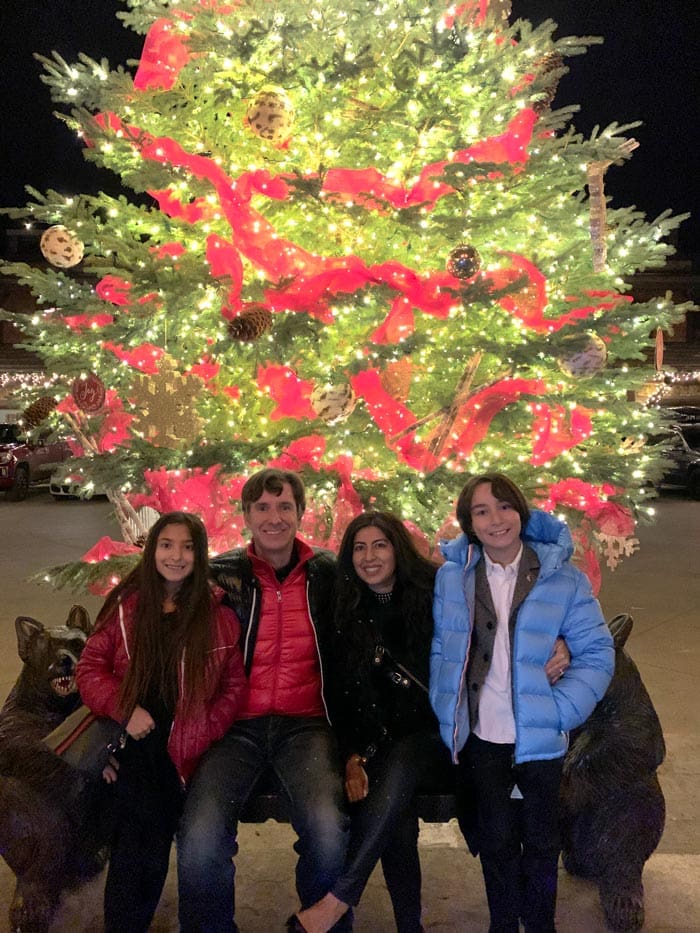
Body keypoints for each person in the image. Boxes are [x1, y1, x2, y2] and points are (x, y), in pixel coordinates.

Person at [430, 473, 615, 933]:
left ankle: (539, 925)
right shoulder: (453, 578)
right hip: (483, 735)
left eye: (505, 506)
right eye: (481, 511)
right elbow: (442, 649)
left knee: (541, 841)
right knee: (494, 840)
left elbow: (596, 653)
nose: (496, 519)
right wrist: (447, 710)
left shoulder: (562, 578)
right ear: (468, 523)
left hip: (540, 737)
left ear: (521, 512)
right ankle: (501, 924)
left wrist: (559, 711)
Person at [176, 468, 351, 933]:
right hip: (234, 725)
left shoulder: (329, 574)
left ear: (300, 512)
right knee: (199, 835)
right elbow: (157, 608)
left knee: (328, 829)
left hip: (306, 725)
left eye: (285, 506)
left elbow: (390, 601)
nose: (274, 517)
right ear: (247, 515)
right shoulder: (220, 574)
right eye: (263, 507)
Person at [76, 511, 246, 933]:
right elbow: (90, 669)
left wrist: (205, 729)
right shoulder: (125, 607)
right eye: (167, 545)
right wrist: (124, 710)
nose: (176, 556)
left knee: (184, 847)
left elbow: (233, 686)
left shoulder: (217, 615)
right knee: (137, 850)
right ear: (153, 549)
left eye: (188, 547)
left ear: (200, 555)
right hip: (135, 746)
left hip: (186, 748)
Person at [294, 512, 453, 933]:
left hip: (440, 737)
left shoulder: (435, 593)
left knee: (400, 762)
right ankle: (409, 926)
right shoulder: (346, 611)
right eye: (359, 548)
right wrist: (352, 755)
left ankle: (339, 899)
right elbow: (342, 698)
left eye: (379, 545)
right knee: (394, 812)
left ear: (397, 548)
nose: (369, 557)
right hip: (381, 745)